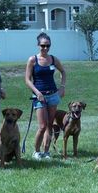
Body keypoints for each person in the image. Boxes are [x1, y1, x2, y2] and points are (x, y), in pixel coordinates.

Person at [25, 32, 66, 160]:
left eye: (48, 46)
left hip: (53, 95)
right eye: (43, 46)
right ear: (38, 45)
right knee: (42, 126)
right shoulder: (33, 60)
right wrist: (37, 93)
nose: (45, 48)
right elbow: (27, 79)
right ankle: (36, 152)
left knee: (49, 125)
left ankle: (46, 152)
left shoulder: (53, 59)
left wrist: (62, 87)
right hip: (39, 97)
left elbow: (63, 72)